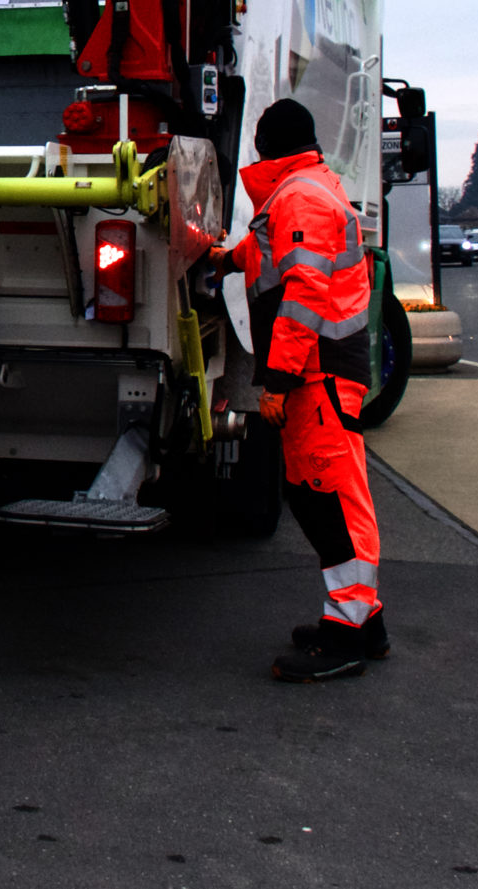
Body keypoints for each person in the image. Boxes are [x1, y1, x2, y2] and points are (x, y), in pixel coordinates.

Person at [207, 98, 387, 682]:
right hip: (329, 373)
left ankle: (343, 637)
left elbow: (303, 294)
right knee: (331, 495)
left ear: (267, 146)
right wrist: (222, 259)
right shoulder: (306, 189)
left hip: (317, 376)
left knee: (325, 498)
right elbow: (268, 254)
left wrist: (278, 382)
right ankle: (364, 623)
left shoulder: (299, 197)